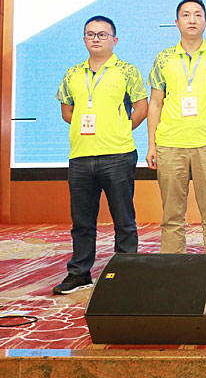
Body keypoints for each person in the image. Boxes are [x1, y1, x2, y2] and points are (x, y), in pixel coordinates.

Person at [146, 0, 206, 290]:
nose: (192, 20)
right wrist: (151, 145)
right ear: (176, 22)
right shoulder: (163, 58)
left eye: (197, 14)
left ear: (205, 21)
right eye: (186, 15)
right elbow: (155, 103)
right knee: (172, 214)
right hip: (170, 144)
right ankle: (174, 271)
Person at [53, 16, 148, 294]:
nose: (96, 39)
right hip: (81, 156)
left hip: (118, 155)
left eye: (102, 34)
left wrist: (119, 129)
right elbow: (67, 111)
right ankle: (79, 273)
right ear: (84, 39)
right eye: (90, 34)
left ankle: (126, 271)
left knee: (124, 219)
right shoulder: (72, 73)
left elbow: (141, 108)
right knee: (82, 222)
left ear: (114, 40)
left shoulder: (127, 71)